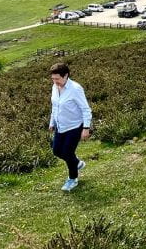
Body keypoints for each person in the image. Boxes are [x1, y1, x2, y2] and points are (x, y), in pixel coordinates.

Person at [48, 62, 92, 192]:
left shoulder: (75, 88)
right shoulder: (55, 87)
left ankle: (73, 179)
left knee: (67, 152)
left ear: (66, 75)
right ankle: (77, 163)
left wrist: (86, 128)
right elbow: (55, 106)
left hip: (74, 126)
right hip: (60, 126)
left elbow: (85, 109)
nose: (55, 82)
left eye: (57, 79)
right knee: (56, 151)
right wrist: (52, 122)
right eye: (53, 79)